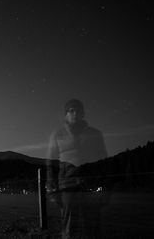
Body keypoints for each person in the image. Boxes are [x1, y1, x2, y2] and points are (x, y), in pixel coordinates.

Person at [46, 99, 110, 239]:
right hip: (67, 186)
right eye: (71, 110)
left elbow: (103, 160)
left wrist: (105, 186)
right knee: (69, 228)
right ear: (65, 114)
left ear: (83, 113)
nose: (75, 113)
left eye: (78, 110)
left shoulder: (95, 133)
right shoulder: (57, 135)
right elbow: (51, 163)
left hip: (90, 185)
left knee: (92, 227)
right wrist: (52, 189)